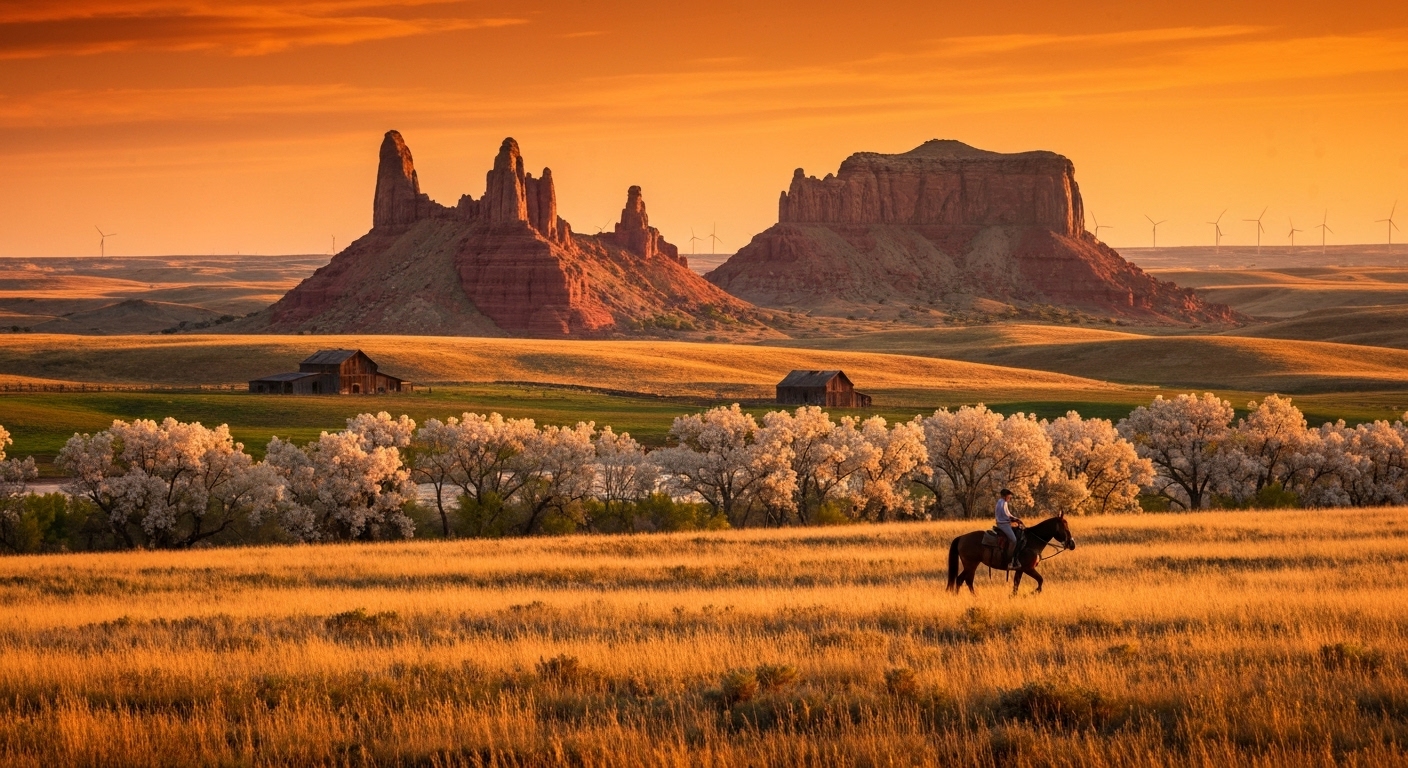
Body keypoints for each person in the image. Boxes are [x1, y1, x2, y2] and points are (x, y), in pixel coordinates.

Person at [995, 489, 1024, 569]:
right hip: (1003, 524)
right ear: (1005, 496)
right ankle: (1009, 559)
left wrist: (1016, 518)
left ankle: (1015, 558)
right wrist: (1014, 519)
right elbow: (1005, 514)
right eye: (1009, 496)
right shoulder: (1001, 503)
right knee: (1013, 540)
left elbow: (1008, 513)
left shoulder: (1004, 502)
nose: (1010, 498)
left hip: (1006, 523)